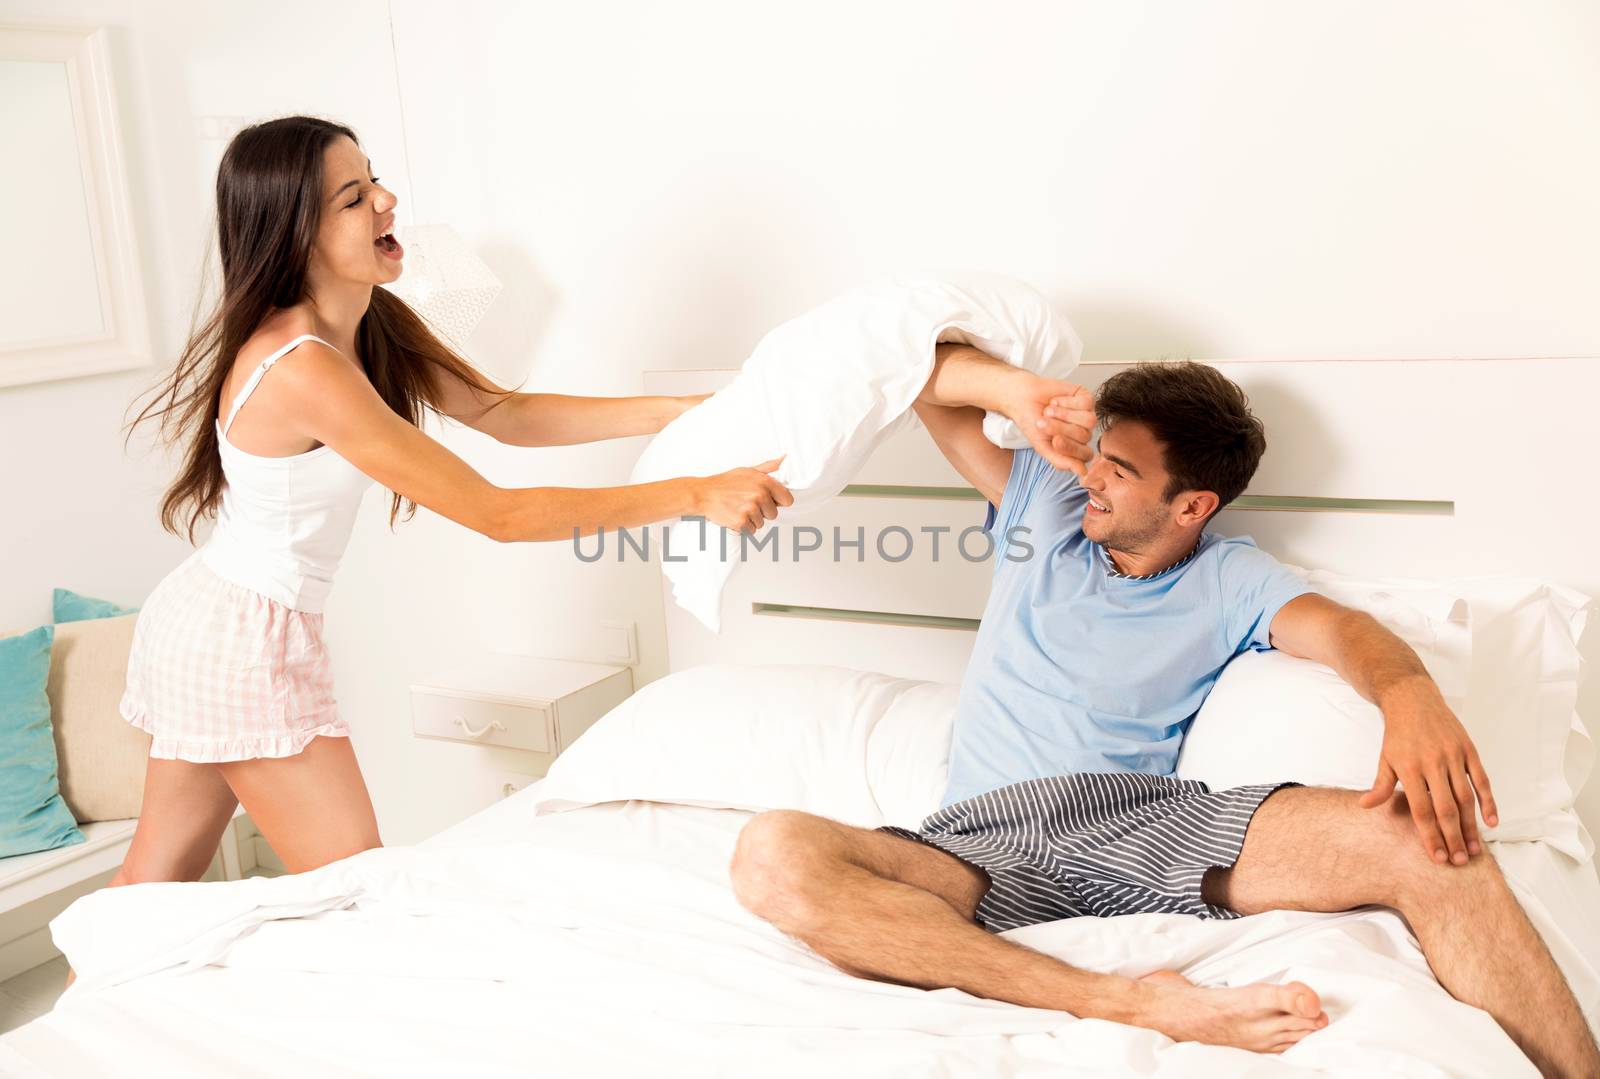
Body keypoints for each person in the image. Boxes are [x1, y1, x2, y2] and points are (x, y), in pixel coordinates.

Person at [730, 348, 1599, 1077]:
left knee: (1433, 844)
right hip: (979, 839)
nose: (1092, 477)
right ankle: (1135, 1000)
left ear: (1192, 506)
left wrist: (1409, 694)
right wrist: (1023, 400)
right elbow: (919, 371)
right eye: (1098, 452)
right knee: (773, 854)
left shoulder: (1229, 579)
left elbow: (1345, 633)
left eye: (1120, 468)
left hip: (1138, 824)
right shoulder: (1042, 503)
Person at [116, 115, 791, 888]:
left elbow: (505, 413)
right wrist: (696, 493)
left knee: (152, 878)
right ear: (297, 234)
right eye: (354, 197)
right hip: (237, 640)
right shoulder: (303, 367)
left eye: (374, 179)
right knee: (360, 889)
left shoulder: (365, 324)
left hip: (215, 620)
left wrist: (682, 412)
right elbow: (496, 514)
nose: (388, 201)